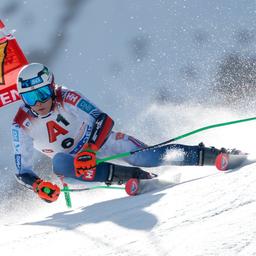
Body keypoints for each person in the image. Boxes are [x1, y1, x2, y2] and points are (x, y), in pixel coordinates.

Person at [11, 63, 229, 203]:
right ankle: (139, 177)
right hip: (77, 164)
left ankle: (212, 155)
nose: (38, 102)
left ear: (52, 86)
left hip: (101, 143)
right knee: (60, 163)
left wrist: (90, 148)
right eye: (30, 98)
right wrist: (38, 186)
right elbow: (23, 171)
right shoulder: (21, 124)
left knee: (147, 157)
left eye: (42, 93)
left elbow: (103, 119)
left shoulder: (66, 96)